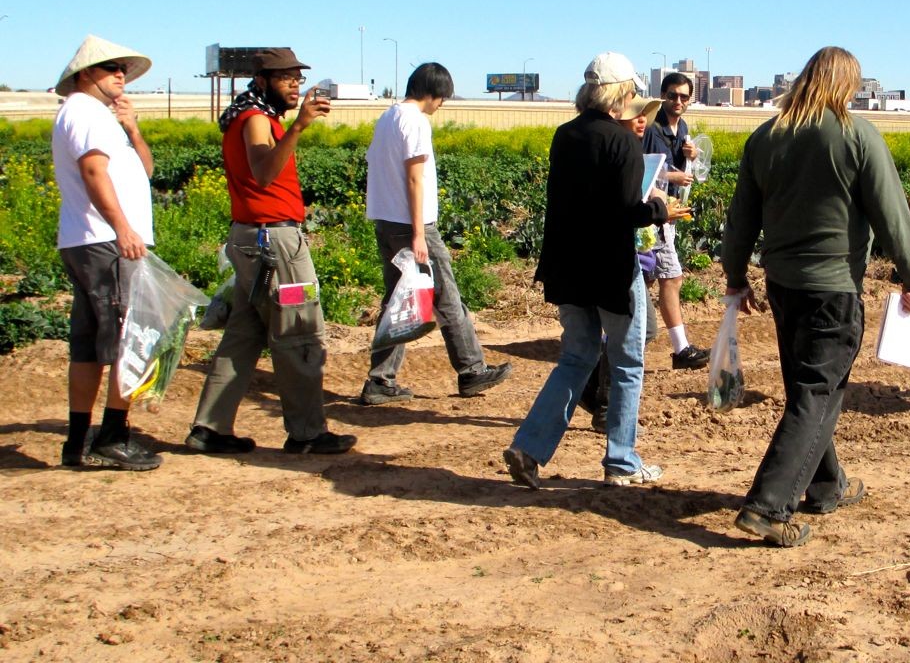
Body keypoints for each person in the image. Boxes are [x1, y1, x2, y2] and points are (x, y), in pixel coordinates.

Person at [720, 46, 910, 547]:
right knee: (818, 393)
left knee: (809, 389)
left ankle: (826, 484)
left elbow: (741, 218)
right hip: (833, 287)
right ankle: (768, 507)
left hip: (783, 286)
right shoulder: (857, 134)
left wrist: (734, 276)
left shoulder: (766, 137)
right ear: (847, 84)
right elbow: (892, 214)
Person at [503, 52, 681, 489]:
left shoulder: (565, 135)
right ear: (621, 93)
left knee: (577, 356)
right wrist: (661, 209)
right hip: (609, 269)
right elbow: (626, 213)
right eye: (634, 91)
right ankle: (621, 460)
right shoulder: (622, 142)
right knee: (627, 361)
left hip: (567, 266)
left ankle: (529, 447)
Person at [187, 48, 356, 456]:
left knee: (244, 333)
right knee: (299, 330)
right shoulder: (257, 121)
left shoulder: (248, 117)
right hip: (274, 245)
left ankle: (209, 428)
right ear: (262, 81)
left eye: (297, 77)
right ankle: (307, 433)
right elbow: (263, 174)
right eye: (286, 78)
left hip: (252, 239)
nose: (295, 84)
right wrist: (299, 128)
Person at [359, 62, 511, 405]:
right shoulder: (415, 121)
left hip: (386, 222)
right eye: (443, 96)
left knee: (401, 300)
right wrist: (417, 233)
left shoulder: (387, 117)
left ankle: (380, 380)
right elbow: (414, 177)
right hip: (413, 226)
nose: (442, 104)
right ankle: (471, 370)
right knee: (446, 296)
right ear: (433, 92)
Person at [52, 35, 161, 470]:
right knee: (126, 337)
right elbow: (94, 172)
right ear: (84, 75)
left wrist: (132, 128)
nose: (120, 74)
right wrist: (123, 229)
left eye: (122, 68)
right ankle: (112, 438)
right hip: (106, 242)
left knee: (87, 345)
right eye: (110, 67)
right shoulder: (86, 114)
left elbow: (144, 171)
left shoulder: (94, 117)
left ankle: (77, 441)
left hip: (88, 240)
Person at [581, 95, 663, 432]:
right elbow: (625, 209)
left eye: (645, 115)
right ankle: (605, 406)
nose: (642, 120)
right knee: (634, 334)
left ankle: (593, 391)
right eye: (636, 114)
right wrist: (659, 210)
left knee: (638, 332)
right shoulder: (619, 153)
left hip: (623, 255)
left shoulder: (630, 153)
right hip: (613, 258)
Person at [642, 72, 710, 370]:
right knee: (671, 277)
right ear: (663, 96)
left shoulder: (681, 126)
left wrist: (691, 155)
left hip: (667, 213)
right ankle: (681, 350)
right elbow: (641, 171)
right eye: (672, 95)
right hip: (652, 213)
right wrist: (672, 176)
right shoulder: (651, 128)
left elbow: (683, 168)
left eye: (684, 96)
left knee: (643, 278)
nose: (678, 101)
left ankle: (613, 341)